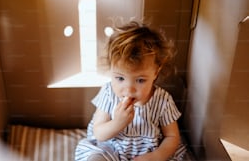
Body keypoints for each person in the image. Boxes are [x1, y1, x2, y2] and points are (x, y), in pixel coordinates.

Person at [75, 22, 186, 161]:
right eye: (120, 78)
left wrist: (155, 157)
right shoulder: (109, 92)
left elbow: (172, 137)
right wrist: (117, 123)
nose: (128, 90)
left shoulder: (162, 100)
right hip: (110, 149)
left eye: (140, 80)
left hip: (148, 153)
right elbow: (99, 133)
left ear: (156, 73)